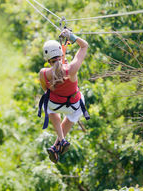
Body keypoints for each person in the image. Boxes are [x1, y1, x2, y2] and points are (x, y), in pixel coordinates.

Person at [38, 29, 89, 163]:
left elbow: (46, 89)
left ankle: (60, 141)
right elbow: (84, 46)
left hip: (55, 105)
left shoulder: (43, 73)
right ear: (61, 54)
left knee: (47, 101)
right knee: (75, 108)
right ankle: (58, 144)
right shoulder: (72, 69)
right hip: (73, 105)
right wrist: (72, 37)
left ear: (47, 59)